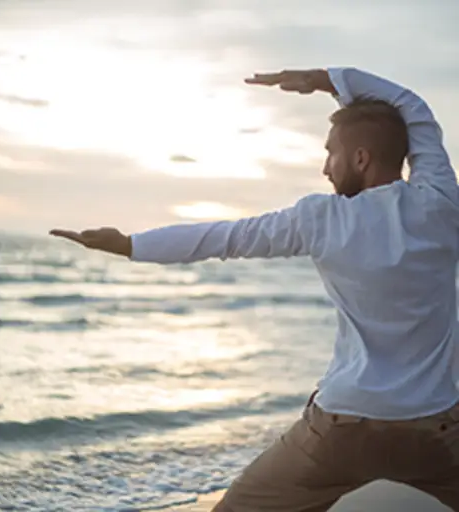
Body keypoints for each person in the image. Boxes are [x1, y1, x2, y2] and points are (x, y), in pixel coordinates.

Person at [50, 67, 459, 511]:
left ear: (360, 159)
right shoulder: (441, 201)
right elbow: (414, 107)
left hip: (342, 426)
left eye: (331, 155)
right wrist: (326, 79)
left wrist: (132, 245)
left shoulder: (319, 219)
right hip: (437, 430)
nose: (325, 168)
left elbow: (226, 237)